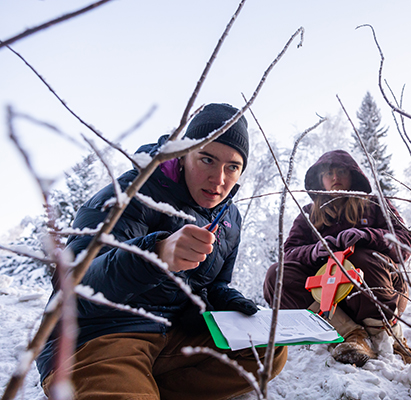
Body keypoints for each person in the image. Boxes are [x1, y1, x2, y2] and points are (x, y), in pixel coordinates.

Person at [37, 103, 287, 400]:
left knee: (268, 349)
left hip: (172, 338)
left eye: (232, 166)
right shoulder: (130, 192)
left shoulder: (230, 218)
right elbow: (75, 286)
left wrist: (226, 300)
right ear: (183, 154)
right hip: (100, 336)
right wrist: (155, 254)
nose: (219, 179)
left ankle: (140, 386)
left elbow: (215, 283)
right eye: (207, 159)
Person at [263, 150, 411, 367]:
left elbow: (405, 241)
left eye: (341, 171)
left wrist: (367, 236)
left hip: (381, 290)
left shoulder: (375, 205)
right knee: (277, 274)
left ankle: (384, 336)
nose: (335, 178)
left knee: (362, 255)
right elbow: (288, 252)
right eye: (329, 174)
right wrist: (315, 251)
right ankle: (350, 333)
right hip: (328, 297)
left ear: (353, 175)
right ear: (320, 180)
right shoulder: (308, 214)